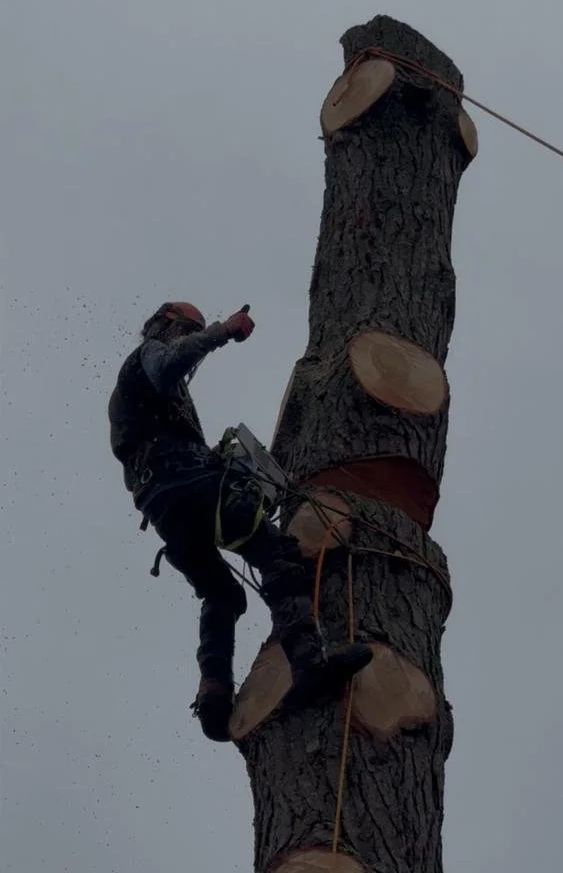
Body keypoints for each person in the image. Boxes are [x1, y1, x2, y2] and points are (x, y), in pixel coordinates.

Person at [108, 301, 372, 742]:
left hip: (164, 506)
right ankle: (309, 662)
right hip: (187, 484)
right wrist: (221, 331)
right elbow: (174, 359)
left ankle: (213, 698)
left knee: (222, 595)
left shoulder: (148, 405)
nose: (186, 339)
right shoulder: (149, 356)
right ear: (167, 327)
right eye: (184, 330)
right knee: (278, 554)